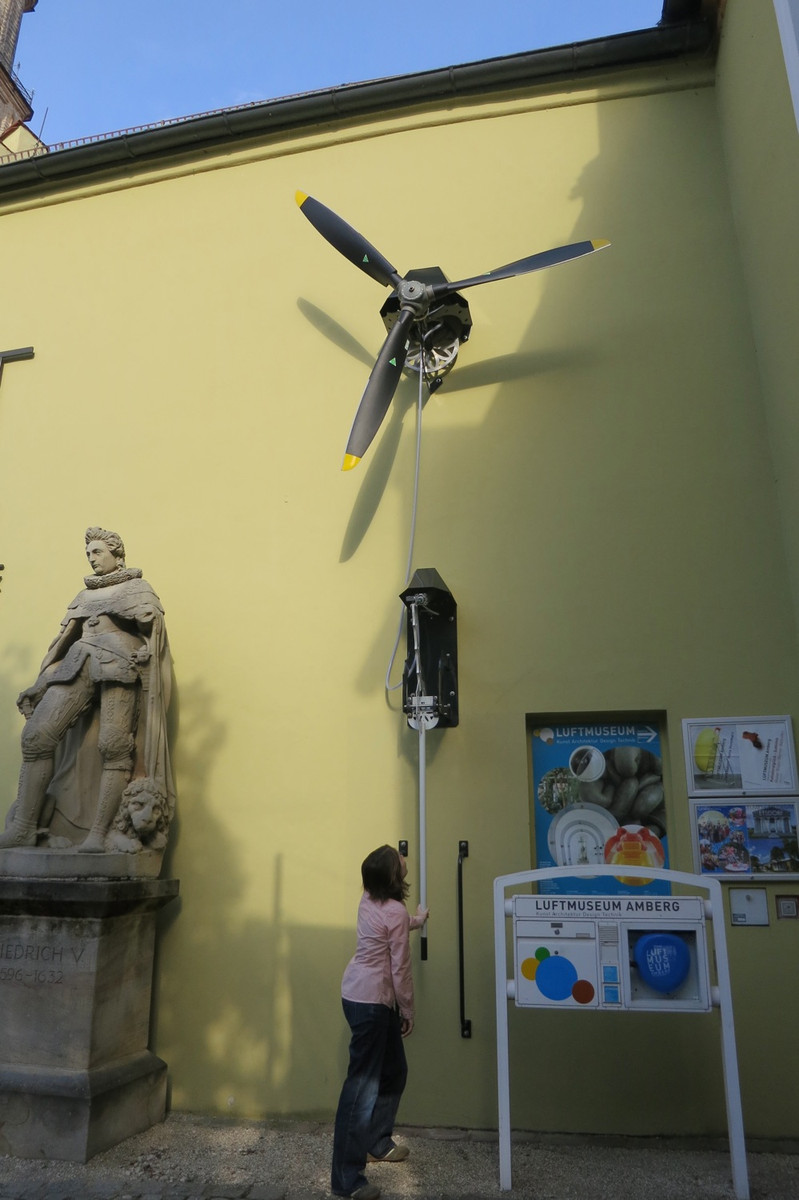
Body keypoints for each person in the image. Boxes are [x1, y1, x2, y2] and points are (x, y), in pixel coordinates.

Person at [0, 527, 173, 853]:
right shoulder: (83, 597)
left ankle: (99, 833)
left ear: (117, 556)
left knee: (113, 746)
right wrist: (41, 684)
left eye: (98, 552)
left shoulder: (137, 589)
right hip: (78, 663)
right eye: (88, 553)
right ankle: (24, 827)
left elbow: (153, 632)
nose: (92, 558)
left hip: (120, 666)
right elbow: (63, 644)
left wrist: (146, 636)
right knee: (36, 737)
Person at [331, 844, 428, 1200]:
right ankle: (346, 1180)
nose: (402, 858)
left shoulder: (369, 900)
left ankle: (377, 1142)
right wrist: (408, 1011)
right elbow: (400, 969)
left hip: (359, 995)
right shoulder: (394, 912)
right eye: (397, 858)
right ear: (392, 876)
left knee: (394, 1070)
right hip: (372, 1003)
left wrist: (416, 920)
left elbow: (393, 925)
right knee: (361, 1089)